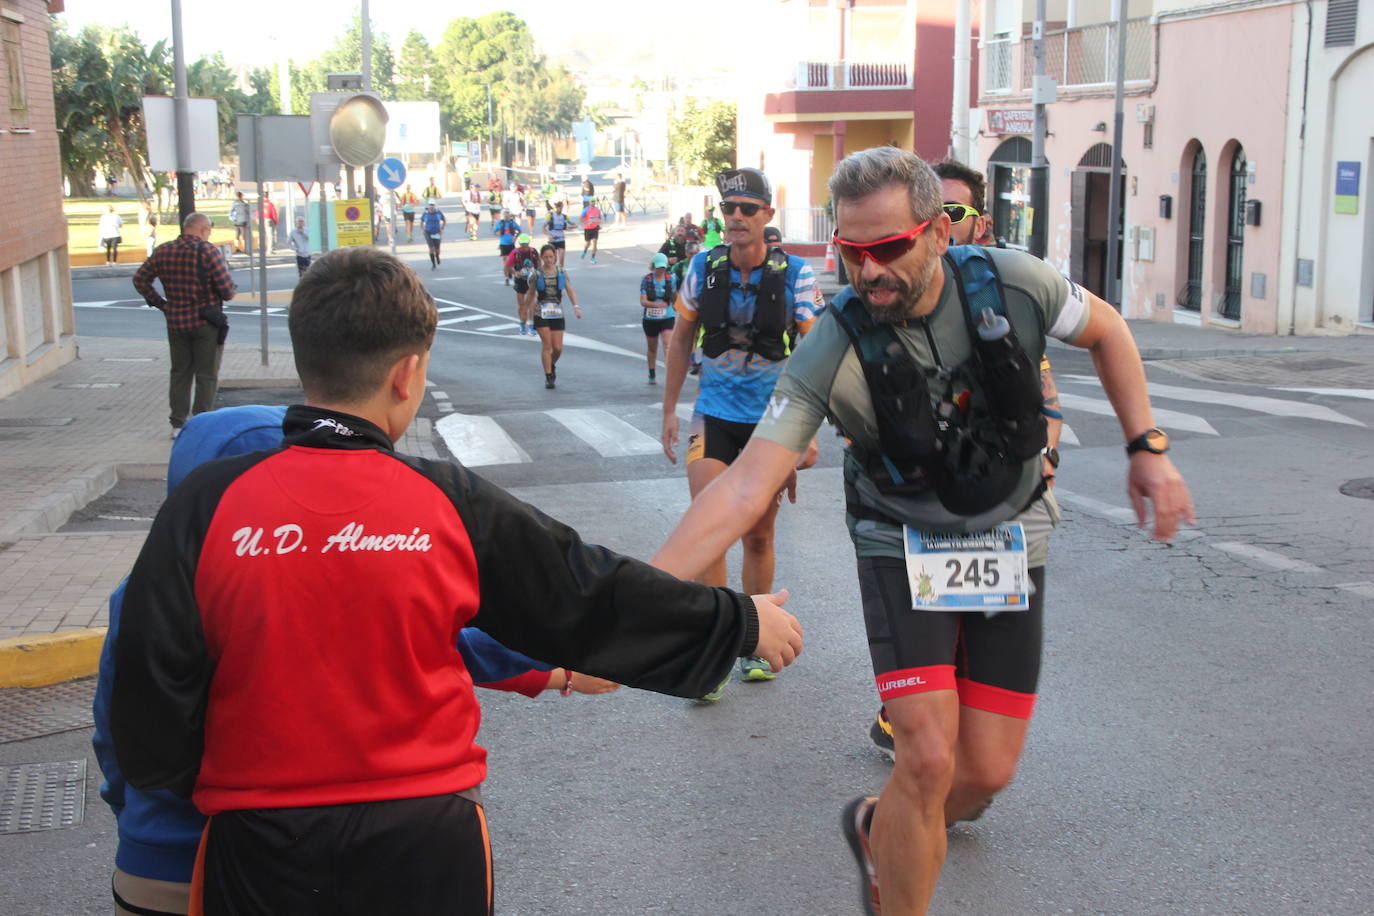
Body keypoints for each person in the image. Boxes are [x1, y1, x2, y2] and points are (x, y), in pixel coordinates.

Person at [110, 246, 802, 915]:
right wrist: (738, 621)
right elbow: (586, 594)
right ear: (408, 376)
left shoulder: (205, 505)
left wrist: (189, 785)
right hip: (425, 837)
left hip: (256, 844)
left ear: (305, 357)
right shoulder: (446, 501)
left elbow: (148, 679)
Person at [650, 147, 1194, 915]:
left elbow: (1107, 331)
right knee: (927, 757)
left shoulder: (1016, 282)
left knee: (985, 773)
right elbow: (743, 487)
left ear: (939, 233)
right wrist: (640, 593)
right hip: (900, 542)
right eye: (850, 252)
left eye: (887, 249)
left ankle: (883, 829)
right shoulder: (833, 341)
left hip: (1012, 535)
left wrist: (1147, 447)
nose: (867, 272)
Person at [91, 404, 627, 916]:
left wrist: (131, 808)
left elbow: (118, 722)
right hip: (269, 848)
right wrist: (561, 669)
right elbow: (457, 640)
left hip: (160, 852)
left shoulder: (144, 592)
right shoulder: (319, 572)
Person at [866, 157, 1067, 763]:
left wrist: (1047, 455)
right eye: (926, 215)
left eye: (952, 212)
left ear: (974, 224)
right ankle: (915, 717)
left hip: (996, 494)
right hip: (916, 500)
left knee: (978, 623)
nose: (940, 224)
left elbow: (1043, 394)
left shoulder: (1001, 297)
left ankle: (945, 756)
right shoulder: (888, 294)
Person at [659, 166, 824, 698]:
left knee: (757, 533)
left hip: (772, 424)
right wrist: (669, 411)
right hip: (713, 414)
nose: (735, 218)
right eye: (728, 208)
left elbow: (816, 356)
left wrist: (807, 432)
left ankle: (753, 643)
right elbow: (681, 338)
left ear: (766, 217)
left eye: (747, 209)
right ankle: (715, 652)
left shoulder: (796, 274)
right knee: (709, 526)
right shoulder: (700, 268)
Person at [131, 213, 237, 438]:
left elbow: (140, 279)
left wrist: (161, 304)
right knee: (206, 374)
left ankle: (177, 424)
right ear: (203, 230)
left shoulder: (163, 251)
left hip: (176, 322)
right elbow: (227, 292)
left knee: (180, 373)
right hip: (206, 322)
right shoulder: (208, 252)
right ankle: (200, 422)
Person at [532, 244, 582, 389]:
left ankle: (551, 364)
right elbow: (530, 294)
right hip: (540, 312)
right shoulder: (537, 274)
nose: (549, 260)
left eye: (551, 257)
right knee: (547, 345)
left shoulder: (561, 272)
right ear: (542, 258)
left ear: (555, 257)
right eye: (546, 257)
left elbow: (570, 290)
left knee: (558, 348)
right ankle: (548, 376)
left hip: (556, 312)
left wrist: (576, 307)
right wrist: (526, 315)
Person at [640, 252, 677, 386]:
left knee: (667, 344)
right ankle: (652, 373)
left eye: (663, 267)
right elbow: (643, 301)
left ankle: (670, 375)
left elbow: (674, 295)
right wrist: (656, 304)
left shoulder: (671, 279)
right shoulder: (647, 280)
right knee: (652, 347)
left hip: (667, 316)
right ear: (653, 266)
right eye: (658, 267)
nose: (660, 270)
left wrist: (678, 306)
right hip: (650, 318)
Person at [506, 233, 541, 336]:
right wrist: (515, 273)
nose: (524, 246)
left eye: (526, 243)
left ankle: (531, 325)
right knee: (521, 304)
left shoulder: (533, 251)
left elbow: (539, 263)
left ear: (528, 242)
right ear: (520, 243)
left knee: (532, 304)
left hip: (531, 280)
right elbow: (508, 266)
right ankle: (522, 324)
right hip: (520, 280)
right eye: (522, 244)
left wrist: (538, 272)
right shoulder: (515, 253)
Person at [494, 209, 522, 284]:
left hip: (511, 244)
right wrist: (498, 234)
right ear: (503, 215)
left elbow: (519, 230)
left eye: (508, 215)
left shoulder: (512, 222)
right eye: (505, 215)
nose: (506, 216)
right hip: (503, 244)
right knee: (506, 262)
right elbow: (495, 231)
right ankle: (506, 277)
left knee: (511, 262)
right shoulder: (499, 223)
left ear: (509, 215)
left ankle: (510, 272)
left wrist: (515, 237)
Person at [545, 200, 572, 269]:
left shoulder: (564, 216)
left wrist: (571, 227)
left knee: (562, 258)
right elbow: (544, 226)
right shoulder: (551, 216)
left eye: (561, 207)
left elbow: (572, 224)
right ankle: (553, 271)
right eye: (559, 207)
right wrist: (548, 234)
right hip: (552, 240)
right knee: (554, 259)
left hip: (561, 239)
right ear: (556, 207)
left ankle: (561, 272)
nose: (560, 209)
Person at [421, 201, 447, 270]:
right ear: (428, 206)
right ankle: (433, 264)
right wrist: (422, 229)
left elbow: (444, 220)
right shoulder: (425, 213)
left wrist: (442, 228)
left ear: (435, 205)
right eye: (430, 205)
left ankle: (437, 256)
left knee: (437, 249)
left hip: (437, 232)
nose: (431, 206)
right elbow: (421, 222)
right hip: (428, 232)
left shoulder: (438, 212)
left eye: (432, 205)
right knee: (431, 248)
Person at [579, 199, 603, 263]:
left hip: (595, 228)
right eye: (592, 201)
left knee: (595, 242)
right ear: (589, 202)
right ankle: (584, 251)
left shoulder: (597, 210)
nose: (593, 202)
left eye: (594, 201)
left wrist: (599, 222)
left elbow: (600, 219)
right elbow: (580, 218)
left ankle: (592, 258)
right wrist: (587, 222)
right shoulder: (586, 209)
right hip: (587, 228)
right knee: (588, 243)